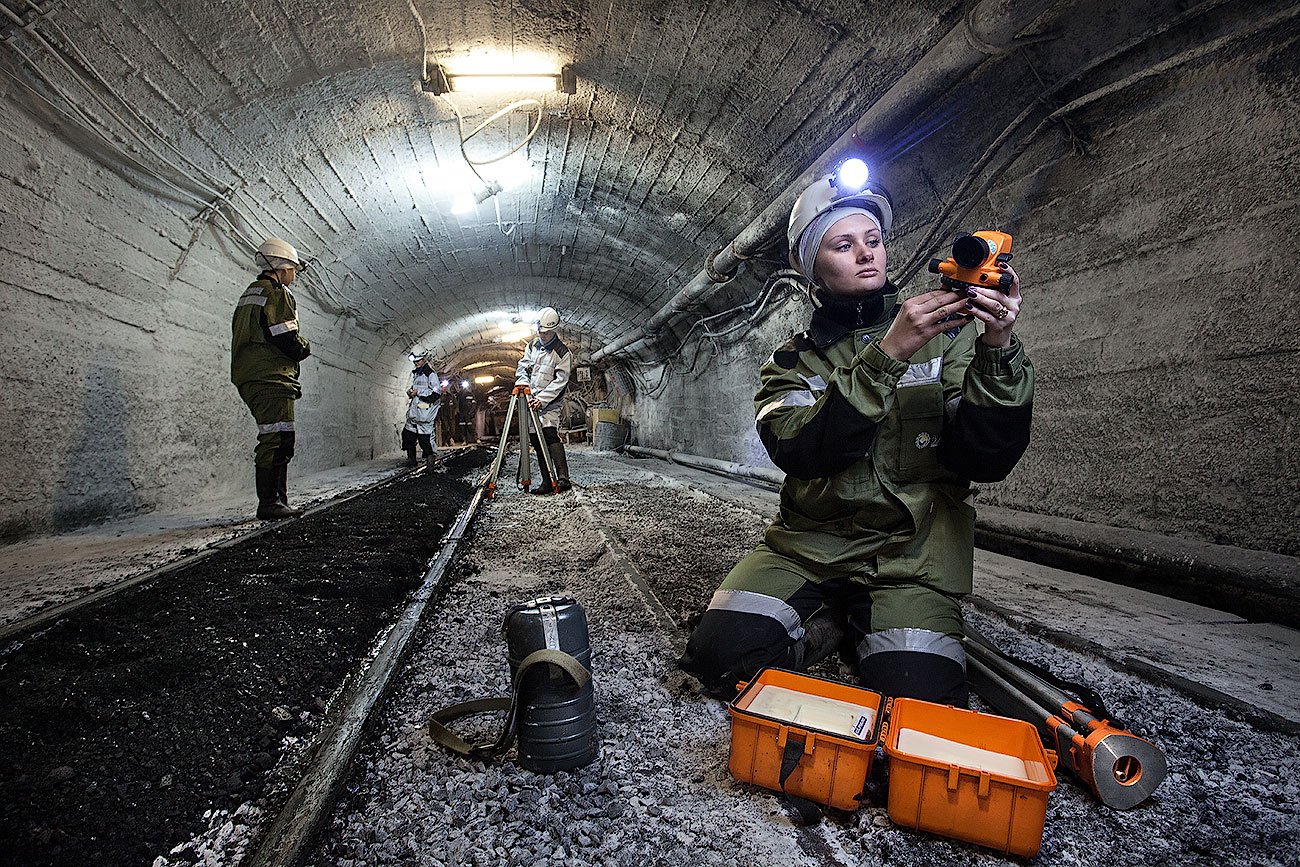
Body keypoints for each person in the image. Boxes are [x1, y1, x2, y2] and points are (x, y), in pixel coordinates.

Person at [679, 163, 1034, 707]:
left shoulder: (950, 338)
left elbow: (986, 458)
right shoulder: (791, 364)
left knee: (921, 706)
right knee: (719, 663)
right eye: (843, 245)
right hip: (809, 546)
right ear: (811, 271)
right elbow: (805, 451)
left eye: (873, 239)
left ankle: (855, 624)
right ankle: (835, 622)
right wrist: (888, 354)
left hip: (911, 556)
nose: (866, 253)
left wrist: (997, 347)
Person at [230, 237, 313, 520]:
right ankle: (271, 503)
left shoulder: (250, 294)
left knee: (274, 436)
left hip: (250, 375)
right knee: (278, 439)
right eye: (293, 269)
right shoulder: (277, 293)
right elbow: (285, 337)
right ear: (282, 267)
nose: (294, 275)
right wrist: (304, 347)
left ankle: (276, 501)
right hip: (272, 378)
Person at [515, 307, 573, 493]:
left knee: (548, 434)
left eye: (547, 333)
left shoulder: (563, 353)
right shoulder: (532, 346)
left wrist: (542, 399)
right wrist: (523, 387)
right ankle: (547, 481)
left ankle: (563, 478)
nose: (543, 335)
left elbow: (560, 382)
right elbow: (523, 368)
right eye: (541, 332)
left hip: (550, 402)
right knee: (535, 438)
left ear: (554, 330)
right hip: (531, 401)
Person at [403, 350, 441, 471]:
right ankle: (411, 459)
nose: (416, 364)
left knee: (425, 440)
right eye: (415, 362)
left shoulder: (430, 374)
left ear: (424, 360)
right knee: (408, 435)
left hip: (425, 414)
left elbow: (436, 393)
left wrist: (418, 392)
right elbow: (412, 388)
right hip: (414, 413)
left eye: (418, 361)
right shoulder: (416, 374)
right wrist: (410, 391)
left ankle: (430, 463)